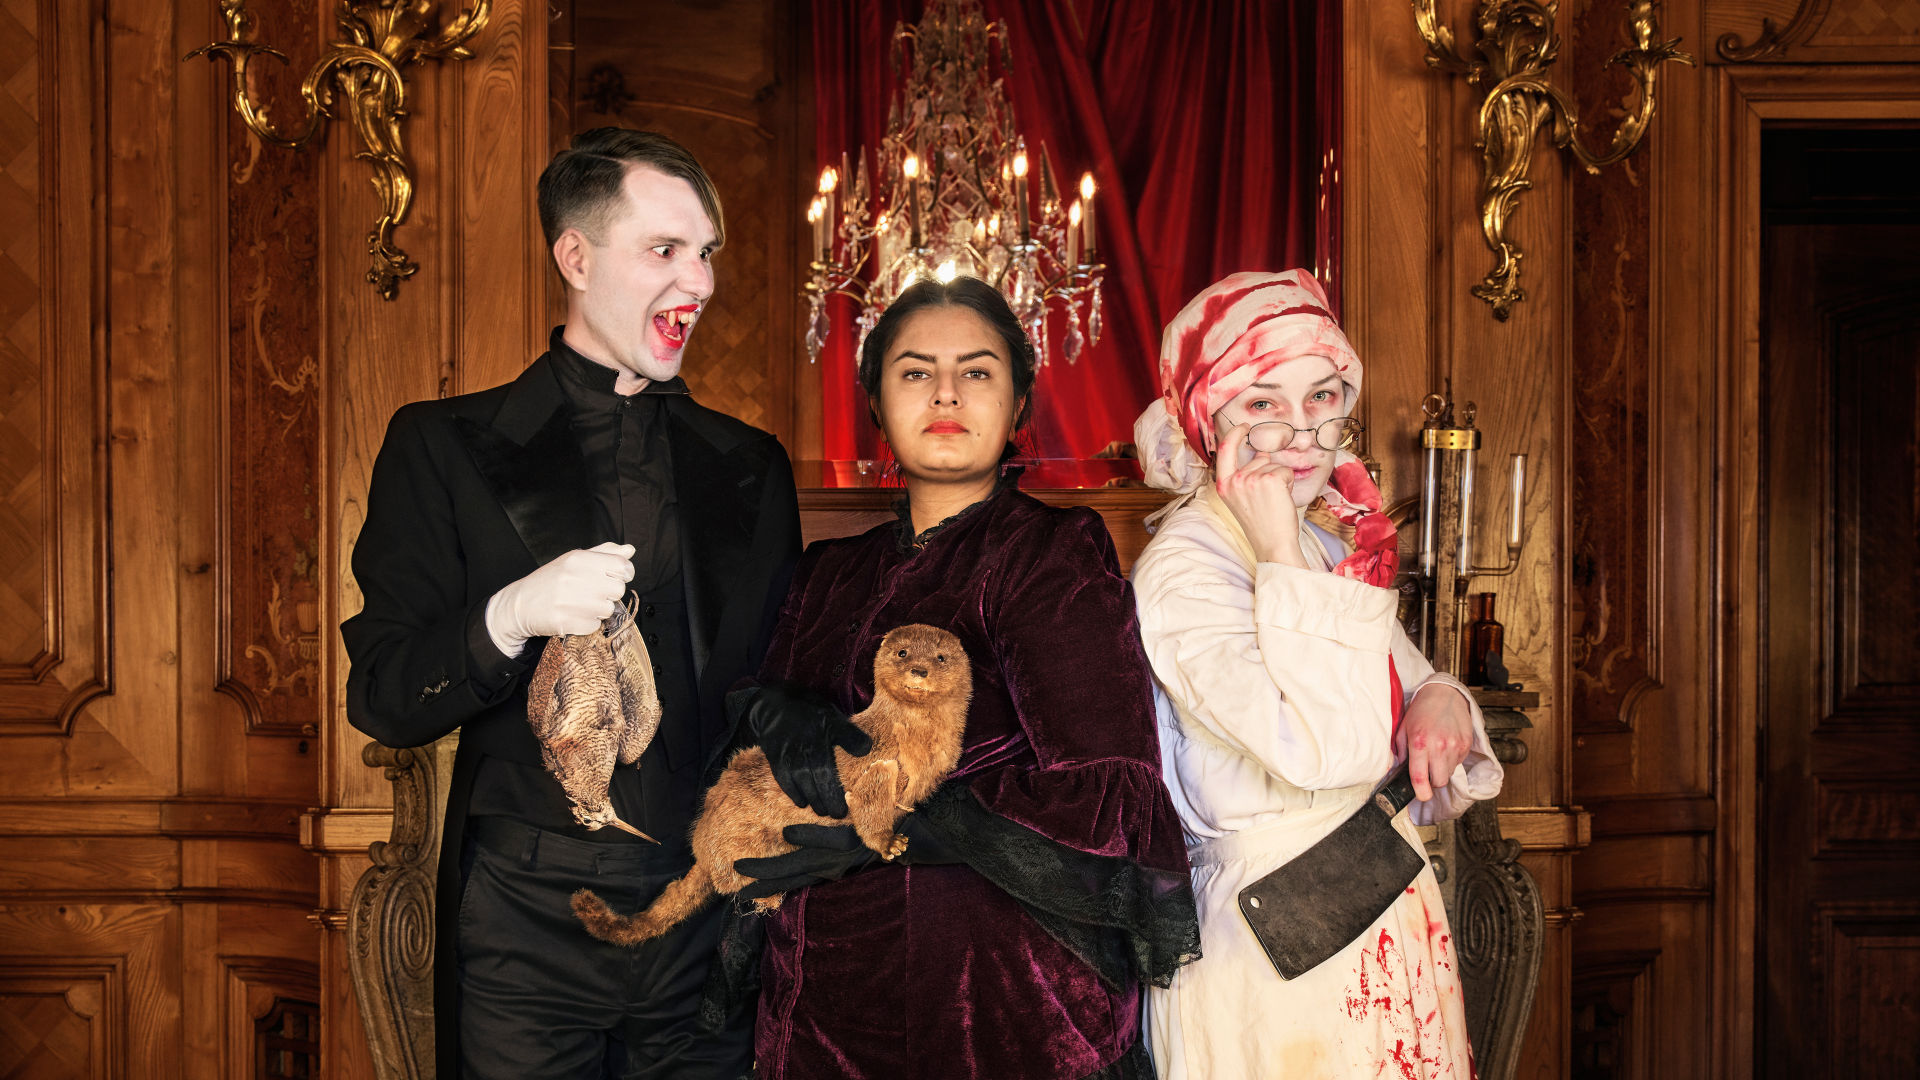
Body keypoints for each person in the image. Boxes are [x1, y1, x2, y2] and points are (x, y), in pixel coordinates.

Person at [341, 128, 812, 1080]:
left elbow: (775, 687)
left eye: (707, 253)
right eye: (666, 250)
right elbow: (386, 694)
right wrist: (508, 614)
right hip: (524, 916)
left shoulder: (753, 467)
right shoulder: (441, 445)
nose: (702, 282)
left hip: (701, 912)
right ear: (575, 255)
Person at [723, 277, 1200, 1079]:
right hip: (820, 1012)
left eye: (977, 371)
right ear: (875, 401)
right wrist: (771, 710)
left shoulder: (1050, 555)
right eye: (914, 371)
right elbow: (760, 752)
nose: (945, 391)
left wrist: (888, 826)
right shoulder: (828, 573)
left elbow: (1108, 794)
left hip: (993, 1009)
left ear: (1018, 405)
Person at [1130, 270, 1504, 1079]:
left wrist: (1442, 692)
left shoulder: (1326, 546)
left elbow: (1400, 684)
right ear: (1207, 419)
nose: (1302, 432)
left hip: (1385, 916)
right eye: (1262, 404)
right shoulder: (1183, 571)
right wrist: (1276, 553)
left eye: (1323, 398)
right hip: (1277, 953)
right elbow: (1327, 751)